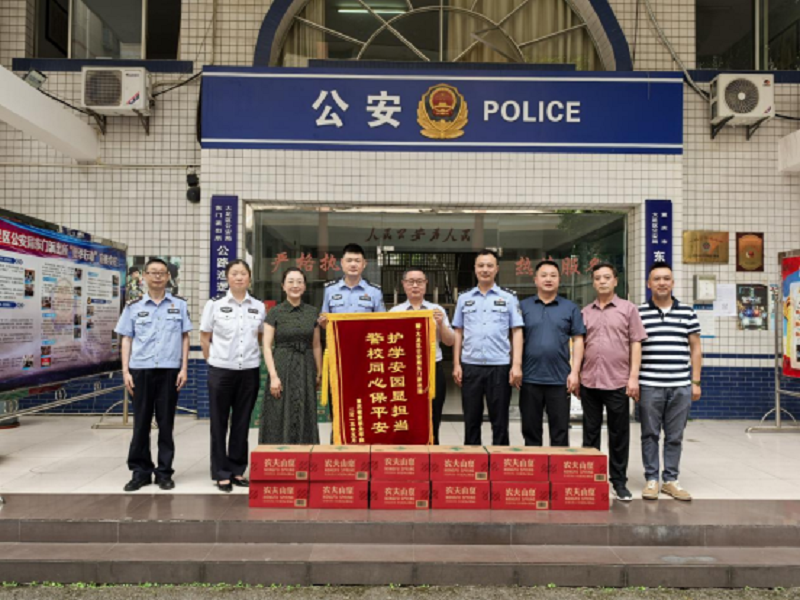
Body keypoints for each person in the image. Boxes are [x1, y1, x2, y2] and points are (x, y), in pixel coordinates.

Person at [115, 258, 192, 492]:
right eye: (153, 272)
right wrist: (126, 371)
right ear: (145, 276)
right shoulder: (133, 306)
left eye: (162, 273)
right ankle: (140, 472)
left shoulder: (179, 305)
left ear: (168, 277)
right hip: (141, 370)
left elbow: (185, 337)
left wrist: (184, 368)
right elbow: (126, 339)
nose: (157, 276)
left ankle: (164, 472)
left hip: (169, 370)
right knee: (141, 424)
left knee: (166, 424)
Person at [580, 262, 647, 502]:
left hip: (618, 381)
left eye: (607, 277)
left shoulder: (628, 309)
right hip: (589, 381)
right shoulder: (585, 312)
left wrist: (633, 377)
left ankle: (618, 482)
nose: (602, 281)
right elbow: (578, 345)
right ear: (593, 282)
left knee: (619, 434)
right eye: (598, 278)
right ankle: (590, 479)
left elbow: (636, 342)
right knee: (590, 434)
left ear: (615, 281)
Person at [638, 262, 702, 501]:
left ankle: (671, 480)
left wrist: (695, 381)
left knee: (675, 435)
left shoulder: (687, 312)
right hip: (649, 384)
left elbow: (695, 348)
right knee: (649, 434)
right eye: (657, 279)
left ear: (673, 283)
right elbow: (633, 349)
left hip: (680, 385)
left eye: (666, 279)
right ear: (649, 284)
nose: (662, 283)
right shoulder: (638, 313)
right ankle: (651, 479)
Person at [199, 260, 265, 493]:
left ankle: (237, 469)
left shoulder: (258, 306)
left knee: (242, 422)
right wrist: (212, 362)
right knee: (219, 423)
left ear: (249, 278)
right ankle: (221, 472)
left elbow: (260, 336)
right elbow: (205, 337)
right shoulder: (215, 304)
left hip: (249, 370)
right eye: (234, 273)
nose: (239, 277)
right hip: (221, 371)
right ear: (227, 277)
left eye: (243, 273)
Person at [452, 249, 524, 446]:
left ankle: (499, 462)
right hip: (470, 366)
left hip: (499, 366)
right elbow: (458, 331)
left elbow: (517, 331)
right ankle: (472, 461)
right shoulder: (464, 298)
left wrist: (516, 365)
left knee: (500, 422)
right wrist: (456, 364)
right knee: (471, 420)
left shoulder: (508, 297)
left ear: (497, 269)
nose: (485, 269)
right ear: (475, 269)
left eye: (489, 266)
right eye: (481, 265)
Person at [519, 260, 585, 446]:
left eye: (553, 275)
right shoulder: (523, 307)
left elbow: (578, 340)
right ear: (535, 280)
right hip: (530, 378)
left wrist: (575, 372)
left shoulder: (570, 307)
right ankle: (534, 464)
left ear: (559, 280)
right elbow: (515, 338)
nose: (548, 279)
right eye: (544, 275)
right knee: (531, 431)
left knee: (560, 432)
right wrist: (515, 366)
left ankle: (559, 465)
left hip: (559, 380)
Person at [389, 268, 455, 444]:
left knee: (433, 414)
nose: (415, 286)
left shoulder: (437, 310)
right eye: (410, 282)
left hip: (432, 369)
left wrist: (441, 324)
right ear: (403, 285)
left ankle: (432, 450)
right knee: (405, 414)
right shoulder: (394, 312)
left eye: (419, 281)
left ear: (426, 284)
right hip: (404, 371)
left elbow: (450, 341)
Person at [260, 267, 322, 445]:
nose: (295, 285)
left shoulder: (312, 312)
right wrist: (273, 376)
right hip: (282, 365)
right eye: (291, 282)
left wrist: (319, 372)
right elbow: (267, 346)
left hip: (306, 366)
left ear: (305, 286)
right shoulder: (275, 312)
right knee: (279, 411)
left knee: (305, 409)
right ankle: (278, 456)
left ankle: (306, 454)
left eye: (299, 282)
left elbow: (316, 345)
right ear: (283, 286)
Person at [318, 243, 384, 328]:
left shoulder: (375, 291)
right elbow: (324, 322)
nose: (353, 265)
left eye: (357, 261)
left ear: (364, 263)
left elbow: (382, 323)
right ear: (342, 263)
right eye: (349, 260)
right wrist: (323, 322)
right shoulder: (330, 290)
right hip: (339, 336)